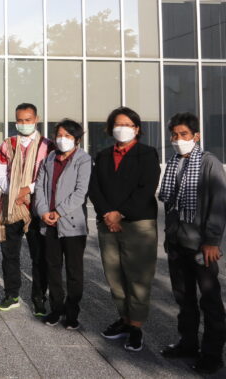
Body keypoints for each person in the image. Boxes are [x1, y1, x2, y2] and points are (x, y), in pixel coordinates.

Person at [158, 112, 226, 375]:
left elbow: (218, 206)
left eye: (184, 134)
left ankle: (212, 355)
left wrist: (211, 241)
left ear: (196, 136)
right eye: (174, 135)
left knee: (210, 301)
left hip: (201, 247)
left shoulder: (209, 163)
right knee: (184, 299)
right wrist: (169, 236)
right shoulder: (175, 162)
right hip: (177, 244)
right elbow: (171, 204)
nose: (178, 139)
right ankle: (187, 344)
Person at [88, 106, 160, 352]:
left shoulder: (147, 154)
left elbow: (146, 188)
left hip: (137, 224)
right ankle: (124, 319)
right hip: (108, 223)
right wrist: (108, 214)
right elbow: (94, 187)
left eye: (128, 125)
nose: (122, 128)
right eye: (118, 124)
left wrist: (120, 213)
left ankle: (136, 328)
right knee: (114, 277)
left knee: (138, 278)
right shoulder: (104, 155)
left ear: (137, 129)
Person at [0, 103, 54, 314]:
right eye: (20, 120)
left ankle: (39, 297)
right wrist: (14, 190)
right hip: (10, 207)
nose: (24, 124)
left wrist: (26, 190)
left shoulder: (48, 146)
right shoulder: (7, 144)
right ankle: (12, 295)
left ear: (36, 119)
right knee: (9, 254)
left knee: (39, 255)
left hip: (37, 207)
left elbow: (49, 176)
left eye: (28, 120)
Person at [33, 119, 91, 330]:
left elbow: (80, 192)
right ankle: (56, 309)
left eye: (67, 136)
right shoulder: (49, 157)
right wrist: (43, 212)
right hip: (48, 223)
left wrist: (58, 212)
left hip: (73, 225)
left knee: (74, 272)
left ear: (76, 139)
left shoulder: (83, 160)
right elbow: (39, 187)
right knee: (53, 269)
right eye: (59, 135)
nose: (62, 140)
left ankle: (72, 312)